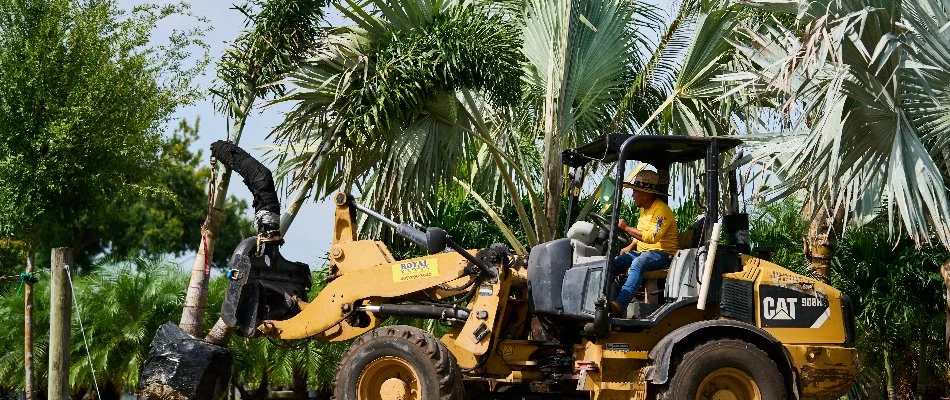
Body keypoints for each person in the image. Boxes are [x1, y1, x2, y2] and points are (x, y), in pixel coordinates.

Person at [610, 170, 679, 316]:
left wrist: (626, 228)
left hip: (663, 255)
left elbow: (651, 237)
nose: (632, 195)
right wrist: (629, 247)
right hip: (644, 253)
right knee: (613, 263)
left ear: (645, 194)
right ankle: (603, 300)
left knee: (638, 263)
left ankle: (619, 305)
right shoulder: (644, 210)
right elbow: (640, 234)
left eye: (635, 191)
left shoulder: (661, 211)